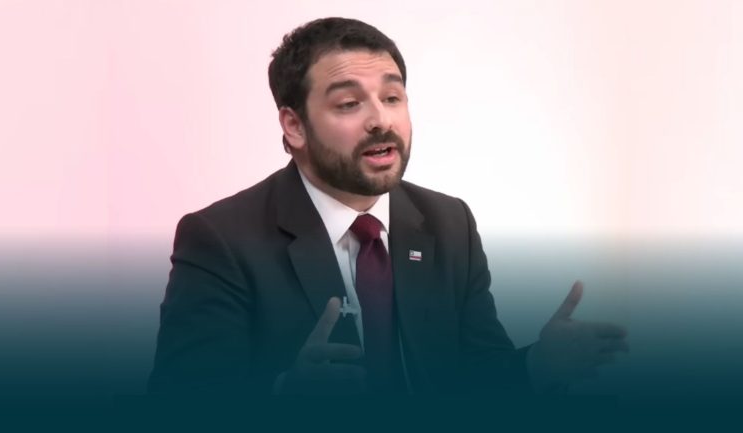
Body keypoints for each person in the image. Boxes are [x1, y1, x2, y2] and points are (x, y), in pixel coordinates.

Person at [147, 17, 628, 396]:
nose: (381, 120)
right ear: (294, 127)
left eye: (392, 97)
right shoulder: (221, 240)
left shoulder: (448, 223)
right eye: (348, 104)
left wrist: (535, 365)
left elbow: (476, 378)